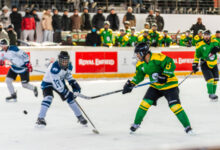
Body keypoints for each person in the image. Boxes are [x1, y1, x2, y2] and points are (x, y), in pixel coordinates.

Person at [122, 42, 193, 134]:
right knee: (144, 103)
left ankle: (188, 127)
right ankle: (136, 124)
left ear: (143, 52)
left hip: (169, 85)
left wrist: (165, 75)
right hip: (155, 86)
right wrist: (131, 84)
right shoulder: (140, 64)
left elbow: (170, 62)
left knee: (175, 107)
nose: (136, 55)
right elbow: (139, 76)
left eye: (138, 53)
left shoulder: (157, 57)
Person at [36, 51, 87, 126]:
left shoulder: (69, 66)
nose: (64, 63)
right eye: (63, 61)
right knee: (48, 97)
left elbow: (68, 75)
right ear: (59, 60)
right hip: (48, 83)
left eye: (66, 62)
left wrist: (73, 83)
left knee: (70, 99)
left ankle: (80, 116)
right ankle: (40, 118)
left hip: (59, 81)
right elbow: (58, 86)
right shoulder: (54, 68)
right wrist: (67, 93)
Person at [192, 30, 220, 101]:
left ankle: (213, 94)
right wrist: (195, 64)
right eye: (205, 35)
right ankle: (211, 94)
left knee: (215, 80)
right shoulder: (199, 44)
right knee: (210, 79)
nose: (206, 37)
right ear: (203, 36)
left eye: (208, 35)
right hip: (205, 64)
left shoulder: (215, 42)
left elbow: (218, 49)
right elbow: (197, 56)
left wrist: (217, 49)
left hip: (214, 63)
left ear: (210, 35)